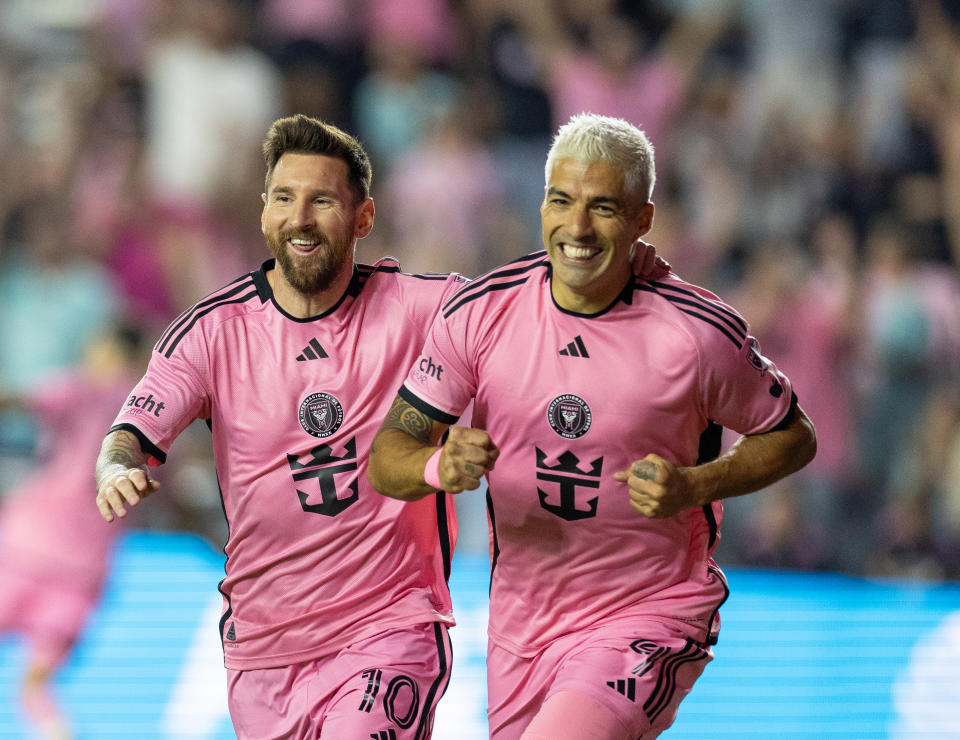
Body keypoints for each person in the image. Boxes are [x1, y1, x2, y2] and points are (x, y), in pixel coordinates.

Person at [92, 111, 671, 738]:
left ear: (363, 218)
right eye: (284, 198)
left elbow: (532, 305)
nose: (301, 218)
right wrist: (117, 467)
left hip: (390, 631)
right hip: (262, 652)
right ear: (264, 213)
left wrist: (621, 272)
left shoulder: (423, 308)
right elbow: (132, 431)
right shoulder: (212, 333)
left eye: (322, 201)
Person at [367, 113, 817, 740]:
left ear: (643, 220)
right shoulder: (480, 313)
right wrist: (435, 466)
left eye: (603, 207)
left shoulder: (697, 334)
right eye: (561, 201)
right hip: (520, 629)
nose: (576, 228)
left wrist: (695, 485)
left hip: (650, 613)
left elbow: (794, 435)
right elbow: (387, 456)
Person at [0, 324, 145, 740]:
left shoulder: (81, 387)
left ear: (106, 349)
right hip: (84, 572)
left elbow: (21, 399)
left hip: (28, 547)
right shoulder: (155, 414)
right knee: (36, 689)